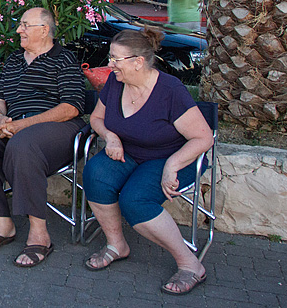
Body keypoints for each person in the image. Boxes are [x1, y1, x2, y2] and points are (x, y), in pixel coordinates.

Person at [82, 28, 213, 295]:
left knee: (136, 200)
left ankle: (190, 264)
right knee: (95, 174)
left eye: (116, 59)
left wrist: (172, 165)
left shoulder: (170, 91)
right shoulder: (116, 82)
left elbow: (203, 138)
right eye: (110, 57)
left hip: (172, 156)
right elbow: (96, 118)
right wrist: (110, 136)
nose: (110, 64)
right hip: (129, 152)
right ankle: (117, 245)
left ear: (138, 62)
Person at [0, 8, 85, 267]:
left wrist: (22, 125)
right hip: (16, 127)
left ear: (44, 29)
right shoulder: (15, 60)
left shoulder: (64, 58)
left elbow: (71, 107)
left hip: (57, 129)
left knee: (23, 144)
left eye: (25, 25)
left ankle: (40, 235)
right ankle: (3, 224)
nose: (19, 30)